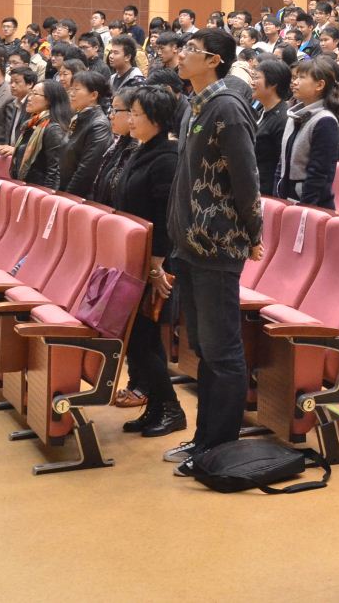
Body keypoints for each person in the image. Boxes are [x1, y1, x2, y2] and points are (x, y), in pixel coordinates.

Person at [164, 27, 264, 474]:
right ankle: (204, 439)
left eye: (192, 50)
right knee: (204, 347)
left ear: (214, 61)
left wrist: (254, 231)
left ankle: (220, 446)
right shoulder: (194, 105)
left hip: (217, 244)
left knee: (222, 350)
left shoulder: (228, 107)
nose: (182, 55)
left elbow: (246, 177)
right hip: (190, 243)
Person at [113, 85, 185, 439]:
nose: (130, 119)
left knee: (143, 339)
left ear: (155, 119)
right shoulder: (143, 149)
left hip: (155, 263)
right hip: (135, 259)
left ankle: (171, 408)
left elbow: (164, 219)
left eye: (136, 114)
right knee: (141, 339)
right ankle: (156, 407)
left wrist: (156, 267)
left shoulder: (167, 158)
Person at [276, 55, 339, 209]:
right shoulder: (293, 115)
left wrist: (304, 208)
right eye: (295, 77)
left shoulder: (325, 121)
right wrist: (278, 195)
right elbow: (282, 162)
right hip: (287, 199)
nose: (295, 82)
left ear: (319, 85)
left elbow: (319, 173)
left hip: (312, 206)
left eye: (301, 77)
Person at [60, 69, 114, 197]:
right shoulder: (78, 116)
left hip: (78, 198)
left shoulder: (99, 125)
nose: (71, 93)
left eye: (76, 89)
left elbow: (86, 171)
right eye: (71, 89)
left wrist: (67, 196)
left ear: (93, 95)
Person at [12, 79, 70, 189]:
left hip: (39, 191)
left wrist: (46, 196)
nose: (29, 98)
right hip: (24, 187)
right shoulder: (31, 124)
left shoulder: (53, 129)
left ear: (49, 100)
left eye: (35, 94)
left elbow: (53, 172)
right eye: (30, 93)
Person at [249, 57, 291, 197]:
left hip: (268, 194)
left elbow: (283, 164)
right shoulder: (262, 111)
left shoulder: (283, 118)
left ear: (273, 83)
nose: (252, 82)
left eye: (257, 78)